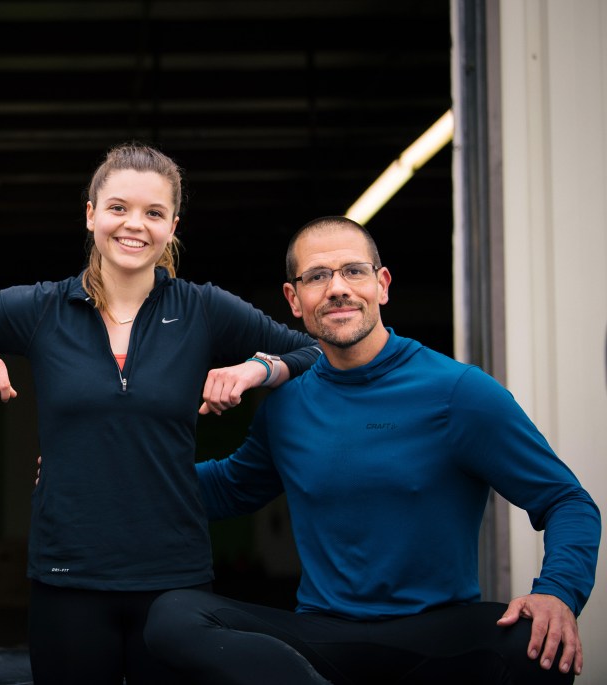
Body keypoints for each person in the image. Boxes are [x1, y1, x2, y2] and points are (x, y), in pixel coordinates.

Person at [0, 142, 322, 684]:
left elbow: (314, 352)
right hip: (67, 572)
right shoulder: (43, 308)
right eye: (118, 208)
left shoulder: (203, 308)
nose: (134, 224)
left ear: (172, 227)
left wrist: (259, 368)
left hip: (174, 578)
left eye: (154, 213)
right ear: (91, 214)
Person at [143, 215, 601, 685]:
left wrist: (558, 592)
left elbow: (566, 500)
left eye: (353, 271)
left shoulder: (458, 392)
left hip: (438, 636)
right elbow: (229, 488)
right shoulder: (287, 406)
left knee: (538, 645)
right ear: (294, 300)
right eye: (317, 277)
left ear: (382, 285)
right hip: (324, 637)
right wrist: (121, 472)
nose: (337, 288)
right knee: (175, 616)